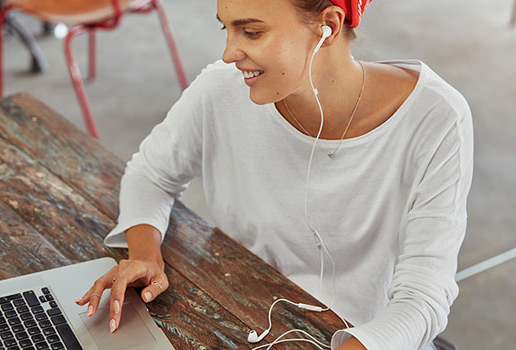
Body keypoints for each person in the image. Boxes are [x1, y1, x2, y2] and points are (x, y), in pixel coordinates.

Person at [75, 0, 474, 349]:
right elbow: (151, 173)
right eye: (226, 28)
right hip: (244, 318)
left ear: (328, 27)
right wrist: (146, 255)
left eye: (251, 32)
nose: (230, 53)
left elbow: (423, 296)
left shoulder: (435, 119)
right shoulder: (221, 90)